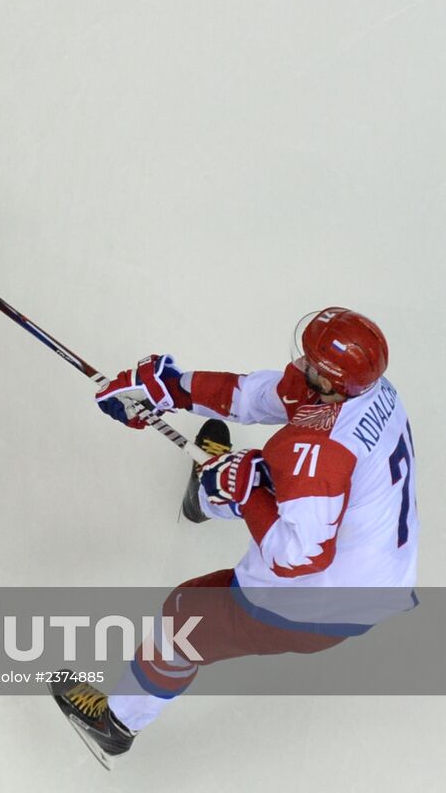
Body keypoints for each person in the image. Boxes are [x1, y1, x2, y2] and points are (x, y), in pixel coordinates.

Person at [49, 306, 417, 766]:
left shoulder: (317, 452)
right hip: (376, 562)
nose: (300, 365)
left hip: (327, 599)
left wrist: (248, 497)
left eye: (310, 364)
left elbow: (296, 557)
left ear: (329, 383)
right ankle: (205, 496)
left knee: (183, 618)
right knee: (260, 470)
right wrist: (172, 388)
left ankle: (117, 725)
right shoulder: (364, 390)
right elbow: (257, 396)